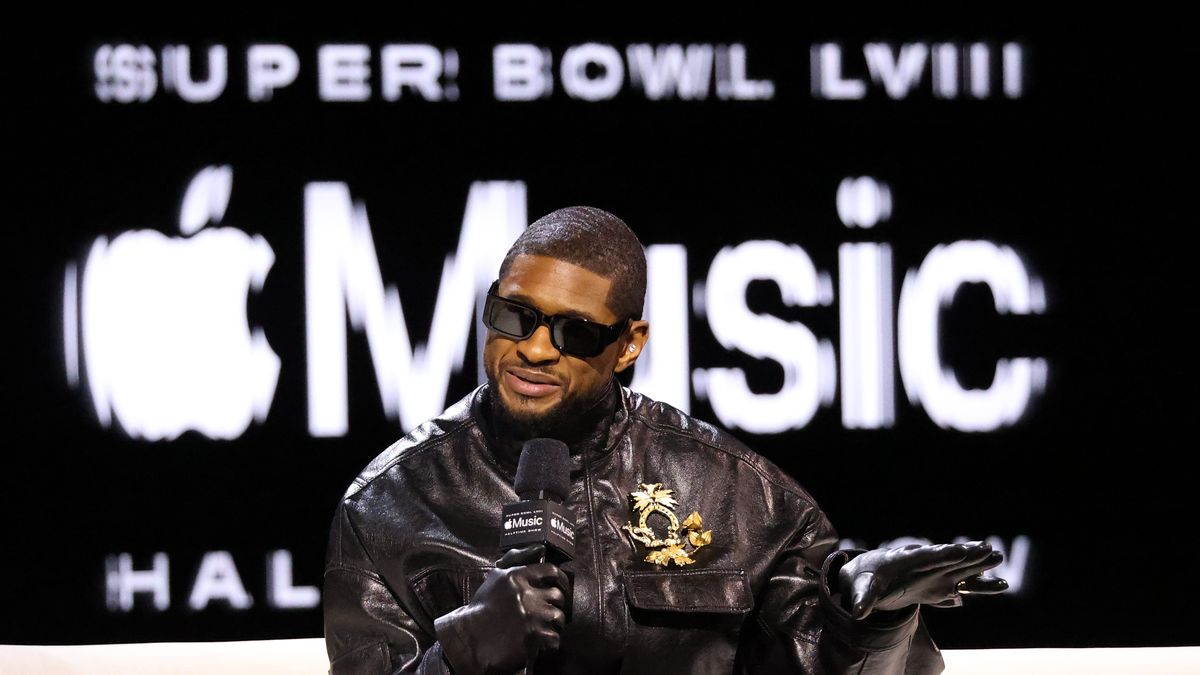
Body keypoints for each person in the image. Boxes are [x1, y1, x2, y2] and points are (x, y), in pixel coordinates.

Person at [323, 206, 1007, 674]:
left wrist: (867, 616)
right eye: (515, 315)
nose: (533, 348)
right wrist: (462, 654)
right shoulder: (387, 506)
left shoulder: (741, 495)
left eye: (575, 332)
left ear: (629, 344)